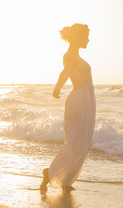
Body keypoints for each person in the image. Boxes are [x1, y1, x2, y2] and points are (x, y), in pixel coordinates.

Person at [40, 23, 96, 192]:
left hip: (87, 100)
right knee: (75, 142)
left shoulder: (77, 56)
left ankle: (65, 179)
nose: (88, 40)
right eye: (85, 36)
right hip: (79, 101)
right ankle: (50, 173)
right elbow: (65, 72)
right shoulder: (70, 55)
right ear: (77, 37)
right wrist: (57, 88)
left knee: (82, 142)